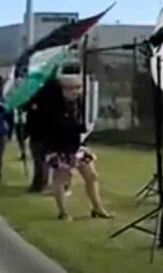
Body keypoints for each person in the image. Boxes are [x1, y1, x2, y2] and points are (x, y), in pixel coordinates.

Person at [47, 75, 113, 221]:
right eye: (71, 89)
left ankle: (97, 208)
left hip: (78, 146)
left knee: (92, 176)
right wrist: (76, 127)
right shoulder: (55, 105)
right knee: (61, 179)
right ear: (62, 90)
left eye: (78, 88)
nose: (76, 92)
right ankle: (63, 212)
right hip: (61, 147)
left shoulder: (80, 104)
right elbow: (55, 126)